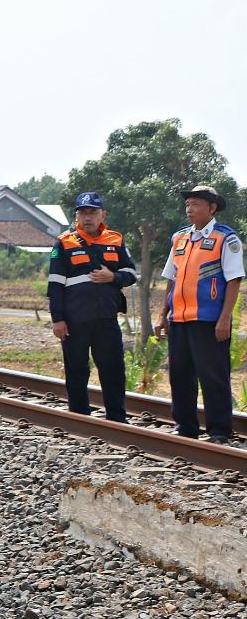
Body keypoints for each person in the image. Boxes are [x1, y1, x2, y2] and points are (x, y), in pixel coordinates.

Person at [157, 185, 242, 444]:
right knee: (180, 374)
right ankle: (185, 426)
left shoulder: (226, 239)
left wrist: (225, 317)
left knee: (213, 375)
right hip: (180, 320)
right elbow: (170, 278)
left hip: (209, 321)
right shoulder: (179, 238)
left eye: (195, 204)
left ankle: (218, 431)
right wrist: (163, 315)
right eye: (188, 205)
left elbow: (234, 280)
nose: (189, 209)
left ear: (212, 208)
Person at [47, 192, 136, 423]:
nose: (88, 217)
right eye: (83, 212)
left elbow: (131, 273)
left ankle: (117, 418)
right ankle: (79, 416)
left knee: (113, 369)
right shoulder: (64, 243)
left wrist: (113, 276)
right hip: (74, 320)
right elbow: (55, 285)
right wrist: (57, 319)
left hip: (106, 318)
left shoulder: (115, 240)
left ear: (102, 215)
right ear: (76, 216)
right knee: (77, 370)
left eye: (93, 212)